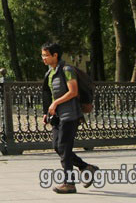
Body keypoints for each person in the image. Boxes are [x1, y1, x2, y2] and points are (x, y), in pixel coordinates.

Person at [41, 41, 99, 194]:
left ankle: (69, 183)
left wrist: (55, 104)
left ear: (55, 55)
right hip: (57, 117)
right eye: (42, 55)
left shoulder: (67, 70)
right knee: (57, 146)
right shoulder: (50, 73)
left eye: (46, 55)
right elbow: (50, 94)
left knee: (64, 148)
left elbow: (72, 91)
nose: (43, 58)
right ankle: (86, 167)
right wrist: (47, 112)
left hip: (70, 115)